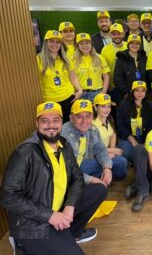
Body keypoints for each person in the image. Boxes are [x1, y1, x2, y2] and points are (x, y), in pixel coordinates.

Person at [0, 101, 107, 254]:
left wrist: (70, 207)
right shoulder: (24, 152)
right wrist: (50, 216)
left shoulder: (64, 146)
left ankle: (70, 233)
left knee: (99, 190)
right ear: (36, 123)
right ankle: (22, 247)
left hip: (58, 210)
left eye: (55, 120)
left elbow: (77, 178)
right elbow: (8, 197)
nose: (51, 125)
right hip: (32, 224)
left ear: (62, 123)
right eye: (45, 121)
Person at [62, 99, 128, 186]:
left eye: (88, 116)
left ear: (92, 116)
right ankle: (88, 180)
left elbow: (100, 150)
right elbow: (67, 171)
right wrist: (92, 180)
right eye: (79, 116)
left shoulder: (92, 128)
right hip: (72, 170)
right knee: (99, 189)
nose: (84, 121)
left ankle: (98, 176)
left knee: (121, 162)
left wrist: (107, 168)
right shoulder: (65, 134)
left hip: (85, 161)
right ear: (71, 118)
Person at [116, 81, 152, 212]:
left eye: (142, 91)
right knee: (128, 152)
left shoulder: (150, 105)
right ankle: (139, 184)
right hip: (128, 137)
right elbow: (120, 125)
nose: (140, 93)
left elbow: (151, 127)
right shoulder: (123, 105)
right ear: (132, 92)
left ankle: (136, 185)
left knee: (142, 152)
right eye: (137, 90)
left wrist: (145, 142)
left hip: (144, 138)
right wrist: (131, 139)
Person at [36, 30, 83, 123]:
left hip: (68, 98)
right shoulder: (38, 60)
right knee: (55, 127)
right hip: (49, 101)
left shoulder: (66, 58)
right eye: (51, 41)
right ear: (46, 43)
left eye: (58, 42)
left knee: (70, 126)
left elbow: (73, 77)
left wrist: (79, 90)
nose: (55, 44)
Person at [73, 33, 110, 102]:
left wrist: (104, 92)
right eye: (81, 44)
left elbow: (106, 76)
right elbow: (72, 78)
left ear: (91, 44)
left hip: (97, 93)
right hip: (81, 94)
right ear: (77, 46)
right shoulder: (73, 60)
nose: (85, 46)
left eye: (87, 43)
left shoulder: (99, 58)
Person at [101, 23, 128, 103]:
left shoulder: (129, 46)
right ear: (110, 35)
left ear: (123, 34)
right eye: (114, 34)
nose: (116, 36)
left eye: (119, 33)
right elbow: (103, 70)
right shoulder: (105, 50)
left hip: (127, 86)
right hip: (113, 87)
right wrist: (108, 86)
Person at [114, 34, 147, 100]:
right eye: (132, 43)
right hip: (126, 95)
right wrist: (126, 92)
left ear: (140, 45)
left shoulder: (144, 58)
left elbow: (147, 77)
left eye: (137, 44)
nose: (134, 46)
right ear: (128, 44)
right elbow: (117, 78)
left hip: (142, 94)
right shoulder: (121, 59)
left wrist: (144, 92)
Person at [92, 93, 124, 160]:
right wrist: (112, 150)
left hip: (107, 152)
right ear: (95, 107)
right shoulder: (92, 125)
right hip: (95, 156)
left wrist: (112, 150)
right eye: (103, 106)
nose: (107, 110)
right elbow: (92, 149)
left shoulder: (109, 119)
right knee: (122, 161)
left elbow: (113, 134)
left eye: (109, 106)